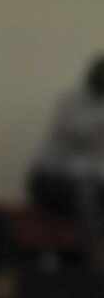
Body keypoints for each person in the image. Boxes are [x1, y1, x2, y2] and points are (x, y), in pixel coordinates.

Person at [29, 54, 104, 250]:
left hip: (87, 181)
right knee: (87, 191)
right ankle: (93, 255)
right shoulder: (71, 104)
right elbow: (81, 134)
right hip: (51, 179)